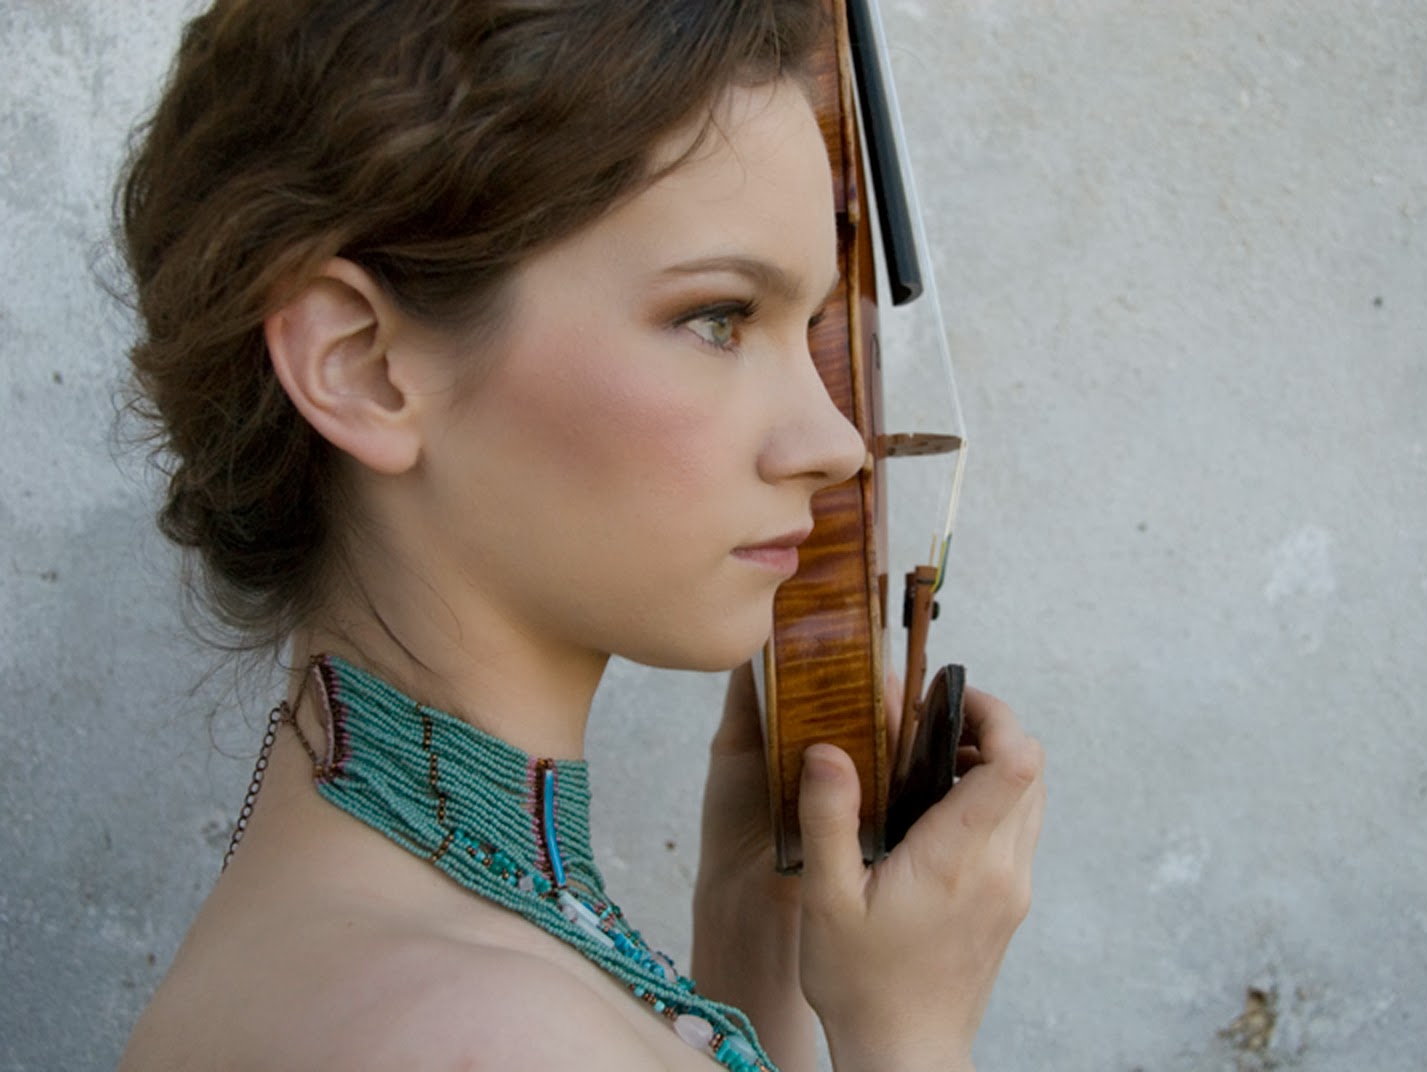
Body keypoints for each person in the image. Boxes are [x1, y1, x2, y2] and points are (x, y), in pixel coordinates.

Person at [115, 2, 1046, 1070]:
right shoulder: (496, 1034)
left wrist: (757, 929)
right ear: (361, 363)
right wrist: (909, 1036)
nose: (835, 441)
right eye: (719, 317)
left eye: (811, 330)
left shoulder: (363, 937)